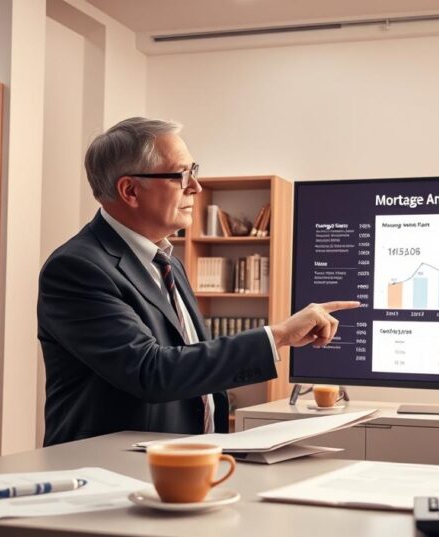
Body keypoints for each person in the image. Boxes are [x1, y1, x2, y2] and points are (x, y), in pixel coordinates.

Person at [38, 116, 358, 446]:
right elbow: (151, 371)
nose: (196, 187)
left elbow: (191, 361)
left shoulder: (168, 262)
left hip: (184, 463)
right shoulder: (78, 268)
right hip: (109, 471)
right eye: (181, 175)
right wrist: (277, 336)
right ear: (130, 190)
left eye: (194, 171)